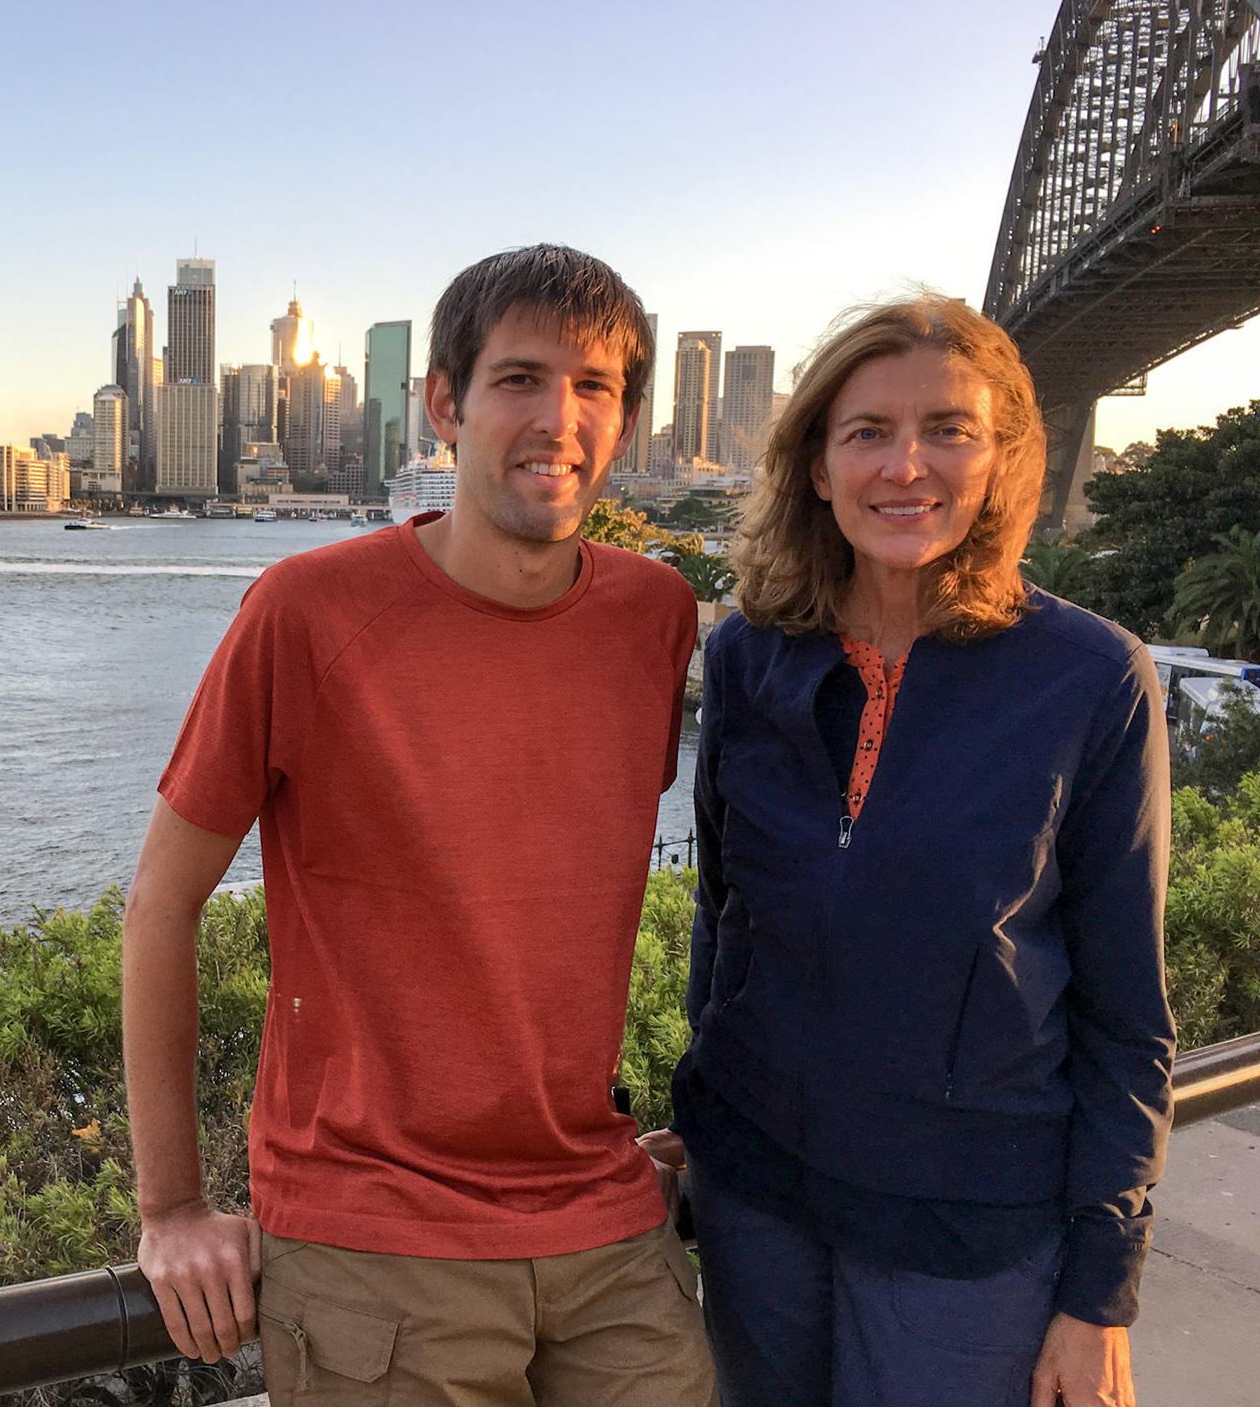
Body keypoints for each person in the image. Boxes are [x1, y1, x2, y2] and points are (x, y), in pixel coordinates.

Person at [122, 244, 716, 1406]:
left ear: (626, 420)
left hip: (602, 1217)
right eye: (519, 380)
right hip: (373, 1233)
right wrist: (173, 1205)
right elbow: (162, 901)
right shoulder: (307, 611)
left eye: (594, 388)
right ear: (445, 404)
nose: (558, 419)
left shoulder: (655, 617)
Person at [658, 295, 1172, 1407]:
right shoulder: (749, 655)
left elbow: (1128, 1017)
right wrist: (703, 1117)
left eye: (948, 429)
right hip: (755, 1197)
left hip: (968, 1227)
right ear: (816, 466)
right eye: (868, 432)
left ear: (1000, 460)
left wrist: (1100, 1290)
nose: (906, 466)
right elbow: (723, 916)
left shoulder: (1090, 679)